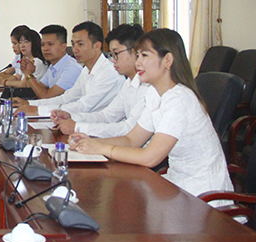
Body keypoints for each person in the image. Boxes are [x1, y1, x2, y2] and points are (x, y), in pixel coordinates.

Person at [70, 28, 234, 204]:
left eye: (144, 55)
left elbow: (150, 157)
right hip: (177, 185)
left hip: (204, 195)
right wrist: (91, 142)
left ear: (168, 60)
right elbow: (132, 140)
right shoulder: (154, 93)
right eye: (137, 56)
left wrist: (101, 148)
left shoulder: (180, 99)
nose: (138, 62)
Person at [54, 24, 150, 136]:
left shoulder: (148, 87)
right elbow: (107, 116)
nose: (113, 60)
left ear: (135, 53)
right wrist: (71, 116)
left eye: (116, 54)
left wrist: (78, 127)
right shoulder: (129, 83)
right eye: (112, 55)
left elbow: (129, 129)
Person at [16, 21, 123, 117]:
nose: (75, 49)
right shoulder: (86, 70)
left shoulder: (109, 73)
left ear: (97, 46)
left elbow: (84, 106)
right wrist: (29, 104)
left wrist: (39, 110)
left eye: (80, 44)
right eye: (73, 44)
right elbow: (66, 98)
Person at [19, 24, 82, 100]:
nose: (45, 49)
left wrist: (29, 75)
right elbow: (34, 91)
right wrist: (27, 73)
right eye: (42, 45)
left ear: (63, 47)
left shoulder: (72, 68)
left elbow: (47, 96)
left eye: (50, 44)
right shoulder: (52, 66)